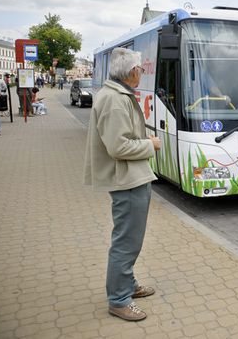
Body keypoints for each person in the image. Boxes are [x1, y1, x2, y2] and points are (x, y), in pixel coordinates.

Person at [84, 47, 161, 322]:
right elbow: (118, 146)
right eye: (141, 69)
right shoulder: (116, 100)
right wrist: (150, 144)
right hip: (127, 179)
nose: (142, 73)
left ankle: (127, 286)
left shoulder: (117, 95)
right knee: (126, 243)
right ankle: (118, 300)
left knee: (130, 240)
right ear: (132, 72)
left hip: (131, 177)